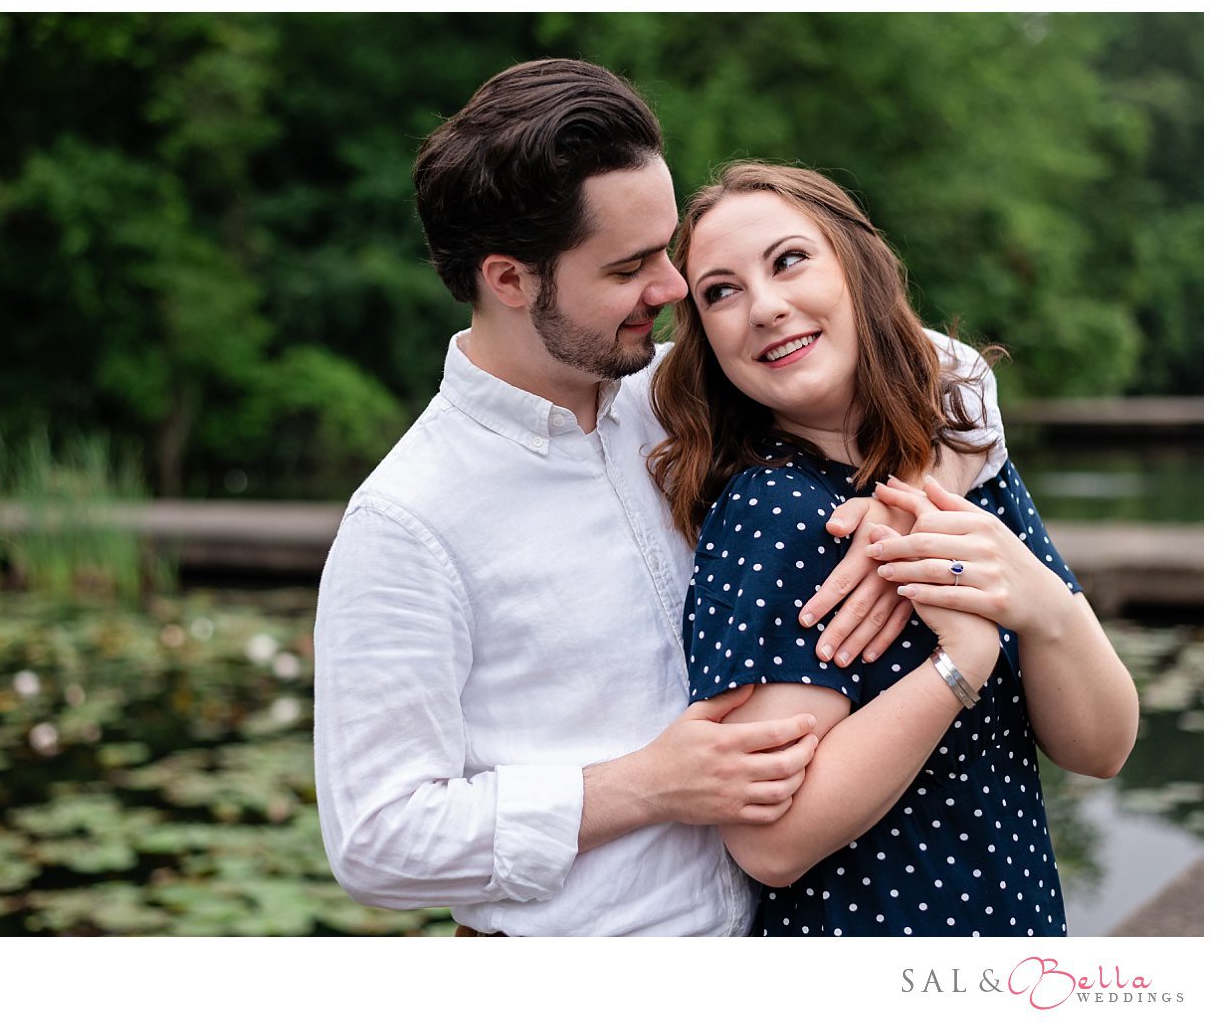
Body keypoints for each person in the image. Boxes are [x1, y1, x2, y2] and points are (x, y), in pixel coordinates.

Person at [312, 59, 1008, 936]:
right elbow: (375, 839)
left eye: (668, 251)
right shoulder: (407, 522)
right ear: (510, 279)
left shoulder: (676, 394)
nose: (675, 290)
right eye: (631, 266)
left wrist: (908, 510)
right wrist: (645, 785)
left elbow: (955, 371)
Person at [648, 162, 1138, 935]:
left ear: (856, 267)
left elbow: (1103, 745)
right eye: (720, 291)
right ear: (705, 335)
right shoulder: (774, 509)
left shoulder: (959, 457)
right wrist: (960, 662)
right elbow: (769, 840)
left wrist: (1039, 602)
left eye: (789, 260)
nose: (766, 307)